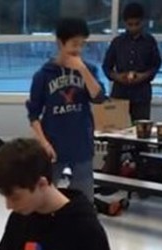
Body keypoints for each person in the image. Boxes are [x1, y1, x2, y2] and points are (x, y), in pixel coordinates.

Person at [26, 17, 124, 215]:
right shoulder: (43, 75)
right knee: (45, 194)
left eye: (82, 44)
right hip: (53, 144)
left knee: (84, 199)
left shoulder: (88, 69)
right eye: (74, 44)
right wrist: (44, 143)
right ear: (60, 43)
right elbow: (33, 114)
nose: (78, 49)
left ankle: (80, 227)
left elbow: (99, 98)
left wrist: (82, 69)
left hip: (81, 142)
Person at [103, 3, 162, 121]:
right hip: (120, 93)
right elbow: (106, 67)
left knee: (141, 128)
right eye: (130, 25)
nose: (133, 28)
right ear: (125, 23)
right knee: (117, 128)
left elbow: (156, 65)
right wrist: (118, 77)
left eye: (137, 24)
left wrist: (143, 76)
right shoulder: (117, 42)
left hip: (141, 94)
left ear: (143, 22)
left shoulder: (149, 41)